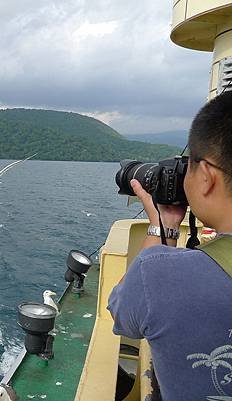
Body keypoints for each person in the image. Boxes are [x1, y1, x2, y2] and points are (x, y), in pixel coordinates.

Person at [108, 91, 232, 401]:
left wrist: (162, 224)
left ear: (206, 177)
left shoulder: (158, 274)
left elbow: (123, 315)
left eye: (189, 164)